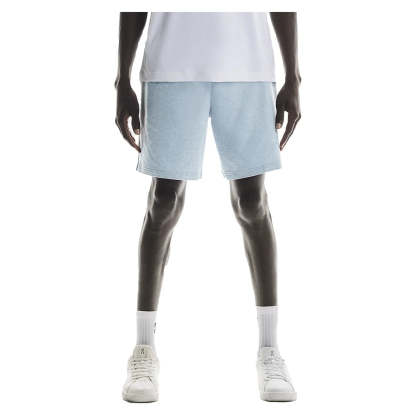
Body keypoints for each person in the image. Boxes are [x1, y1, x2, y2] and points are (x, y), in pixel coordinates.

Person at [115, 12, 301, 402]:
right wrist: (123, 78)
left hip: (248, 65)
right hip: (170, 63)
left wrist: (293, 76)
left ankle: (270, 349)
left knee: (252, 203)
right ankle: (144, 348)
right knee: (163, 203)